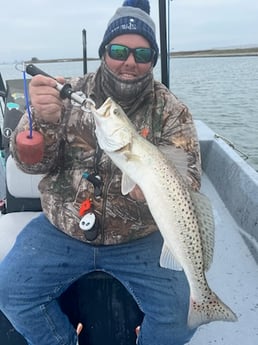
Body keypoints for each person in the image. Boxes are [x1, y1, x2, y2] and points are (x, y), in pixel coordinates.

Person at [0, 1, 201, 344]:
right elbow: (31, 165)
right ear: (104, 51)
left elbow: (190, 179)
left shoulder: (171, 111)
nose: (129, 62)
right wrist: (39, 121)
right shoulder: (68, 95)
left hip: (140, 236)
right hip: (62, 228)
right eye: (119, 50)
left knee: (182, 315)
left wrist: (150, 190)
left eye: (142, 54)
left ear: (153, 59)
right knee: (9, 291)